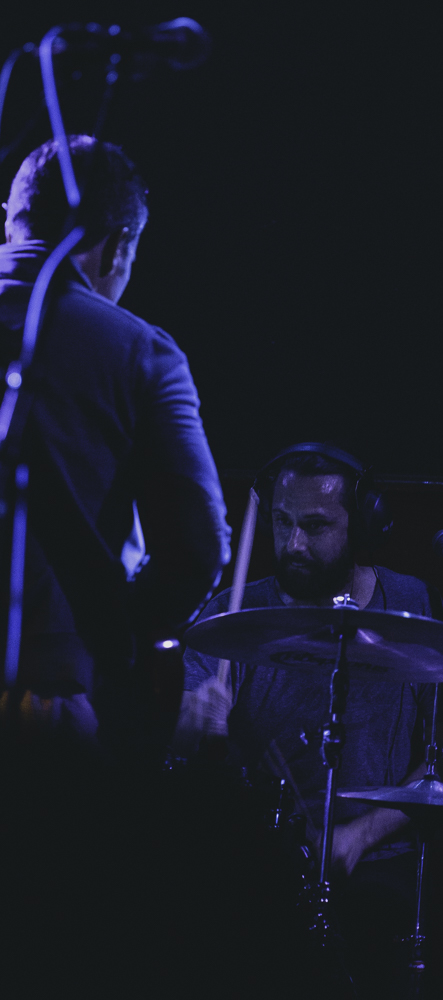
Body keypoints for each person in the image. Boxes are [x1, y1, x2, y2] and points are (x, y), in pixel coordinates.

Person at [181, 443, 443, 997]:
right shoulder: (234, 616)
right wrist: (191, 717)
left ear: (360, 527)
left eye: (315, 526)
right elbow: (180, 732)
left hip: (377, 864)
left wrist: (359, 836)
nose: (294, 544)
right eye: (282, 522)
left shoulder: (413, 607)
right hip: (259, 860)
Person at [0, 135, 231, 755]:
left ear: (11, 220)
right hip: (43, 707)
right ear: (117, 246)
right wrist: (121, 640)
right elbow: (198, 550)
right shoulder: (139, 351)